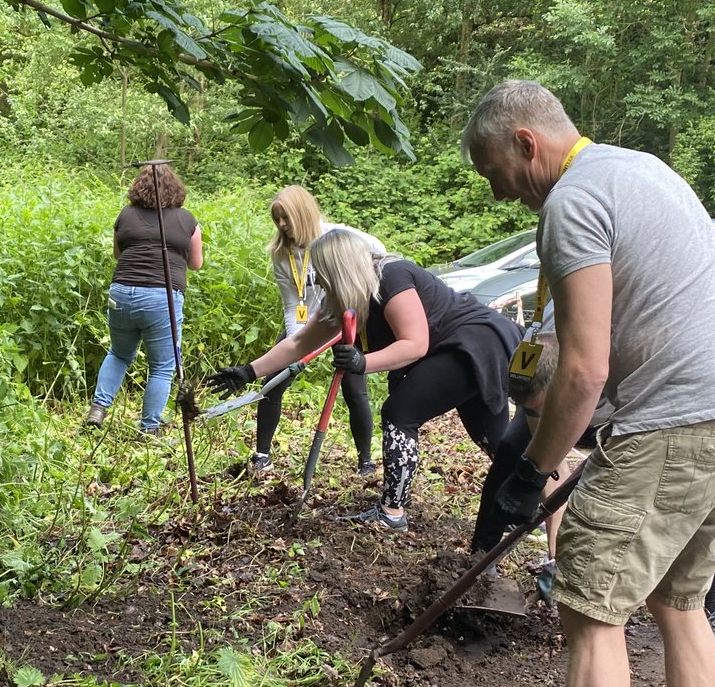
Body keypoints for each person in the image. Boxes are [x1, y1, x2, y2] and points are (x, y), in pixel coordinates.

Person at [463, 80, 715, 687]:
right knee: (680, 602)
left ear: (527, 144)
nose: (496, 189)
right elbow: (559, 346)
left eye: (493, 169)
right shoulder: (636, 169)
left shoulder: (572, 204)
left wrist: (532, 471)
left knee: (592, 610)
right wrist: (530, 389)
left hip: (675, 425)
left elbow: (585, 371)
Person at [208, 229, 522, 528]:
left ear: (338, 269)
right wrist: (249, 371)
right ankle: (527, 508)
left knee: (400, 414)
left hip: (475, 342)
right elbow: (300, 343)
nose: (317, 282)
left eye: (321, 274)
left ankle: (392, 512)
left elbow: (415, 343)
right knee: (503, 445)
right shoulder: (347, 297)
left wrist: (362, 362)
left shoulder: (391, 276)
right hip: (475, 345)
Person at [477, 334, 715, 660]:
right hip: (581, 383)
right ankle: (482, 563)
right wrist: (556, 551)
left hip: (691, 411)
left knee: (678, 499)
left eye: (545, 407)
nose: (540, 414)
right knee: (514, 446)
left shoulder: (632, 366)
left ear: (568, 381)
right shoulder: (537, 361)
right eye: (533, 409)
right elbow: (551, 464)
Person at [250, 186, 386, 475]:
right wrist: (297, 343)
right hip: (303, 323)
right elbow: (291, 304)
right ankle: (262, 454)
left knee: (354, 387)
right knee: (273, 383)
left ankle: (365, 460)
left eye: (286, 217)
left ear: (301, 212)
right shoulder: (280, 253)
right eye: (277, 220)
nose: (282, 225)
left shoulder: (334, 234)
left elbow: (379, 249)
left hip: (341, 317)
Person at [85, 164, 203, 434]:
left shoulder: (125, 215)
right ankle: (149, 428)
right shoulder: (187, 220)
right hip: (163, 298)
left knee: (118, 353)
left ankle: (98, 409)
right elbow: (196, 263)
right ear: (176, 189)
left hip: (122, 293)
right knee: (162, 366)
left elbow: (118, 254)